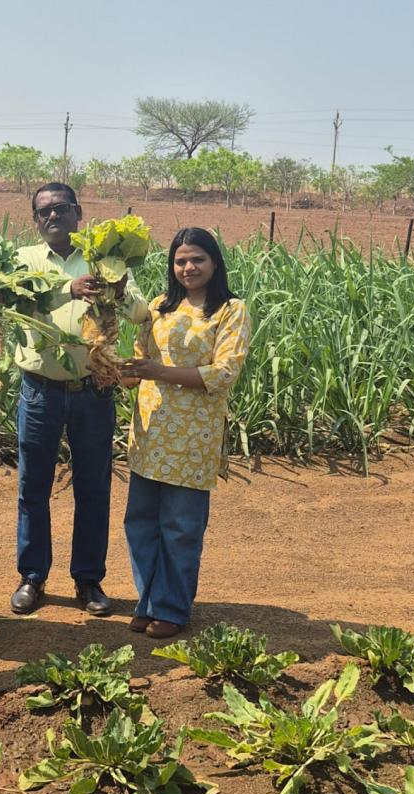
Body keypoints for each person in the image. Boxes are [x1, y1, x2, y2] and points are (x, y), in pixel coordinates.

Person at [11, 182, 148, 616]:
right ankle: (33, 576)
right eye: (44, 211)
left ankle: (88, 580)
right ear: (35, 220)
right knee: (33, 487)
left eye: (62, 208)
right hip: (40, 389)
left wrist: (118, 290)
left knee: (93, 487)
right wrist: (67, 290)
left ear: (78, 212)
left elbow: (141, 312)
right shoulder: (24, 260)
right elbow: (14, 303)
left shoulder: (105, 259)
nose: (53, 216)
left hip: (94, 389)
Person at [119, 227, 251, 639]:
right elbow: (141, 361)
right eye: (180, 261)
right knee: (140, 522)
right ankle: (148, 602)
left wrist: (159, 372)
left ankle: (172, 608)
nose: (188, 267)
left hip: (194, 438)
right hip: (150, 433)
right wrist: (113, 368)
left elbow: (223, 373)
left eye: (197, 259)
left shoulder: (229, 310)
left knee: (180, 527)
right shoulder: (159, 306)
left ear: (214, 263)